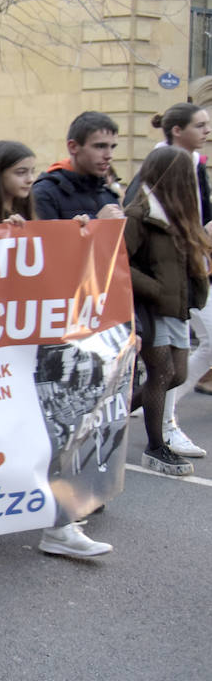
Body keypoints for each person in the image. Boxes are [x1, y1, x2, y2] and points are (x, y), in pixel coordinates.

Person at [0, 141, 115, 556]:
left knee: (50, 435)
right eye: (21, 173)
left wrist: (73, 235)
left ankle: (58, 527)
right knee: (0, 436)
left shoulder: (30, 215)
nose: (30, 180)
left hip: (29, 350)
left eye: (31, 171)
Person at [126, 146, 211, 476]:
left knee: (178, 374)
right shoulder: (140, 215)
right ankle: (156, 446)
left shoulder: (179, 217)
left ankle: (114, 413)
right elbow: (120, 262)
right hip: (153, 309)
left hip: (177, 308)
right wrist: (156, 289)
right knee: (160, 374)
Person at [145, 106, 212, 446]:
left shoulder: (196, 166)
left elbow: (201, 218)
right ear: (176, 131)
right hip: (168, 279)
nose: (207, 132)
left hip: (193, 272)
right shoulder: (162, 164)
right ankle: (164, 424)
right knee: (169, 363)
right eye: (199, 126)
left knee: (201, 349)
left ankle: (153, 408)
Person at [31, 112, 125, 222]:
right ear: (73, 147)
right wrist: (97, 223)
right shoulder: (45, 193)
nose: (109, 155)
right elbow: (47, 238)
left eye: (112, 147)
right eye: (100, 146)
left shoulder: (108, 194)